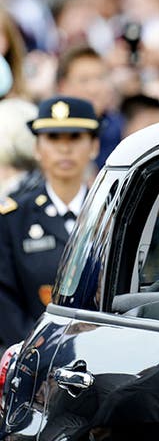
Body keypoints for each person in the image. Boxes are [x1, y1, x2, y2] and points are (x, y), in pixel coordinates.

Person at [0, 96, 100, 347]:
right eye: (53, 138)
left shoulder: (114, 212)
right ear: (37, 147)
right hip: (32, 357)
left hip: (103, 353)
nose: (64, 148)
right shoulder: (13, 218)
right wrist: (33, 351)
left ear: (94, 145)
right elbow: (4, 298)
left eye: (75, 137)